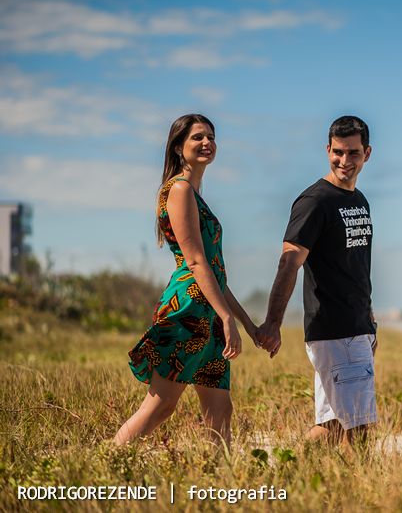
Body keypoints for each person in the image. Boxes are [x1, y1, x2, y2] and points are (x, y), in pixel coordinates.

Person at [114, 114, 258, 447]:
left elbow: (216, 273)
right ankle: (104, 462)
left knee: (220, 409)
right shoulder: (179, 190)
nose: (207, 142)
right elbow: (194, 262)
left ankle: (221, 485)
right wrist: (226, 318)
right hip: (189, 312)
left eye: (211, 136)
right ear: (179, 147)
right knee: (161, 405)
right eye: (197, 137)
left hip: (209, 312)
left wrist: (247, 324)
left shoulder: (193, 194)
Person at [256, 115, 378, 450]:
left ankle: (284, 472)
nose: (344, 161)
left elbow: (356, 269)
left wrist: (368, 321)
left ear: (367, 153)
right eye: (338, 152)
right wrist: (273, 323)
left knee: (335, 424)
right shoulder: (315, 201)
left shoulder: (359, 201)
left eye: (353, 153)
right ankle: (363, 494)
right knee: (360, 426)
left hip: (355, 327)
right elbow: (289, 262)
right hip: (334, 328)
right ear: (327, 150)